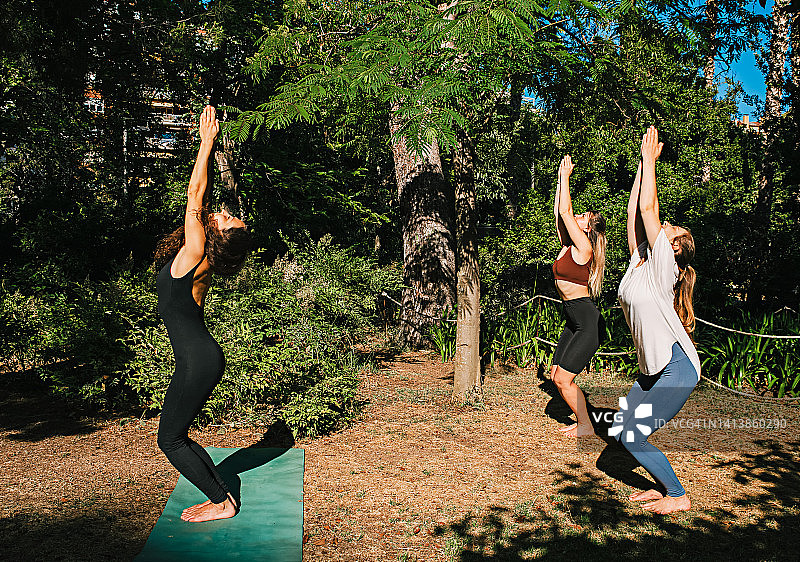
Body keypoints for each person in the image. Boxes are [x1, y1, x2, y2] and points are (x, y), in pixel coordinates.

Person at [152, 105, 251, 523]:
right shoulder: (200, 262)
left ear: (215, 236)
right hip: (199, 358)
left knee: (170, 439)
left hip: (198, 361)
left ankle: (222, 503)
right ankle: (220, 492)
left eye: (227, 219)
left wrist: (206, 143)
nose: (221, 212)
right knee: (175, 435)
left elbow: (195, 195)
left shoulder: (195, 254)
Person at [615, 126, 700, 514]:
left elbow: (650, 211)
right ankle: (662, 484)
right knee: (623, 428)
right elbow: (635, 212)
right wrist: (640, 165)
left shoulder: (664, 262)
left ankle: (677, 495)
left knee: (632, 435)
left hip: (677, 368)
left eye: (673, 229)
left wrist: (652, 162)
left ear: (676, 246)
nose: (666, 225)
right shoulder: (642, 261)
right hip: (654, 367)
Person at [550, 154, 607, 437]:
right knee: (555, 376)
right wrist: (560, 179)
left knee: (563, 379)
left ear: (588, 228)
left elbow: (565, 212)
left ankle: (586, 425)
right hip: (573, 318)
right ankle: (583, 419)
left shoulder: (584, 247)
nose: (579, 216)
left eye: (585, 217)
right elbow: (560, 211)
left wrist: (567, 178)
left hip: (586, 319)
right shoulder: (568, 245)